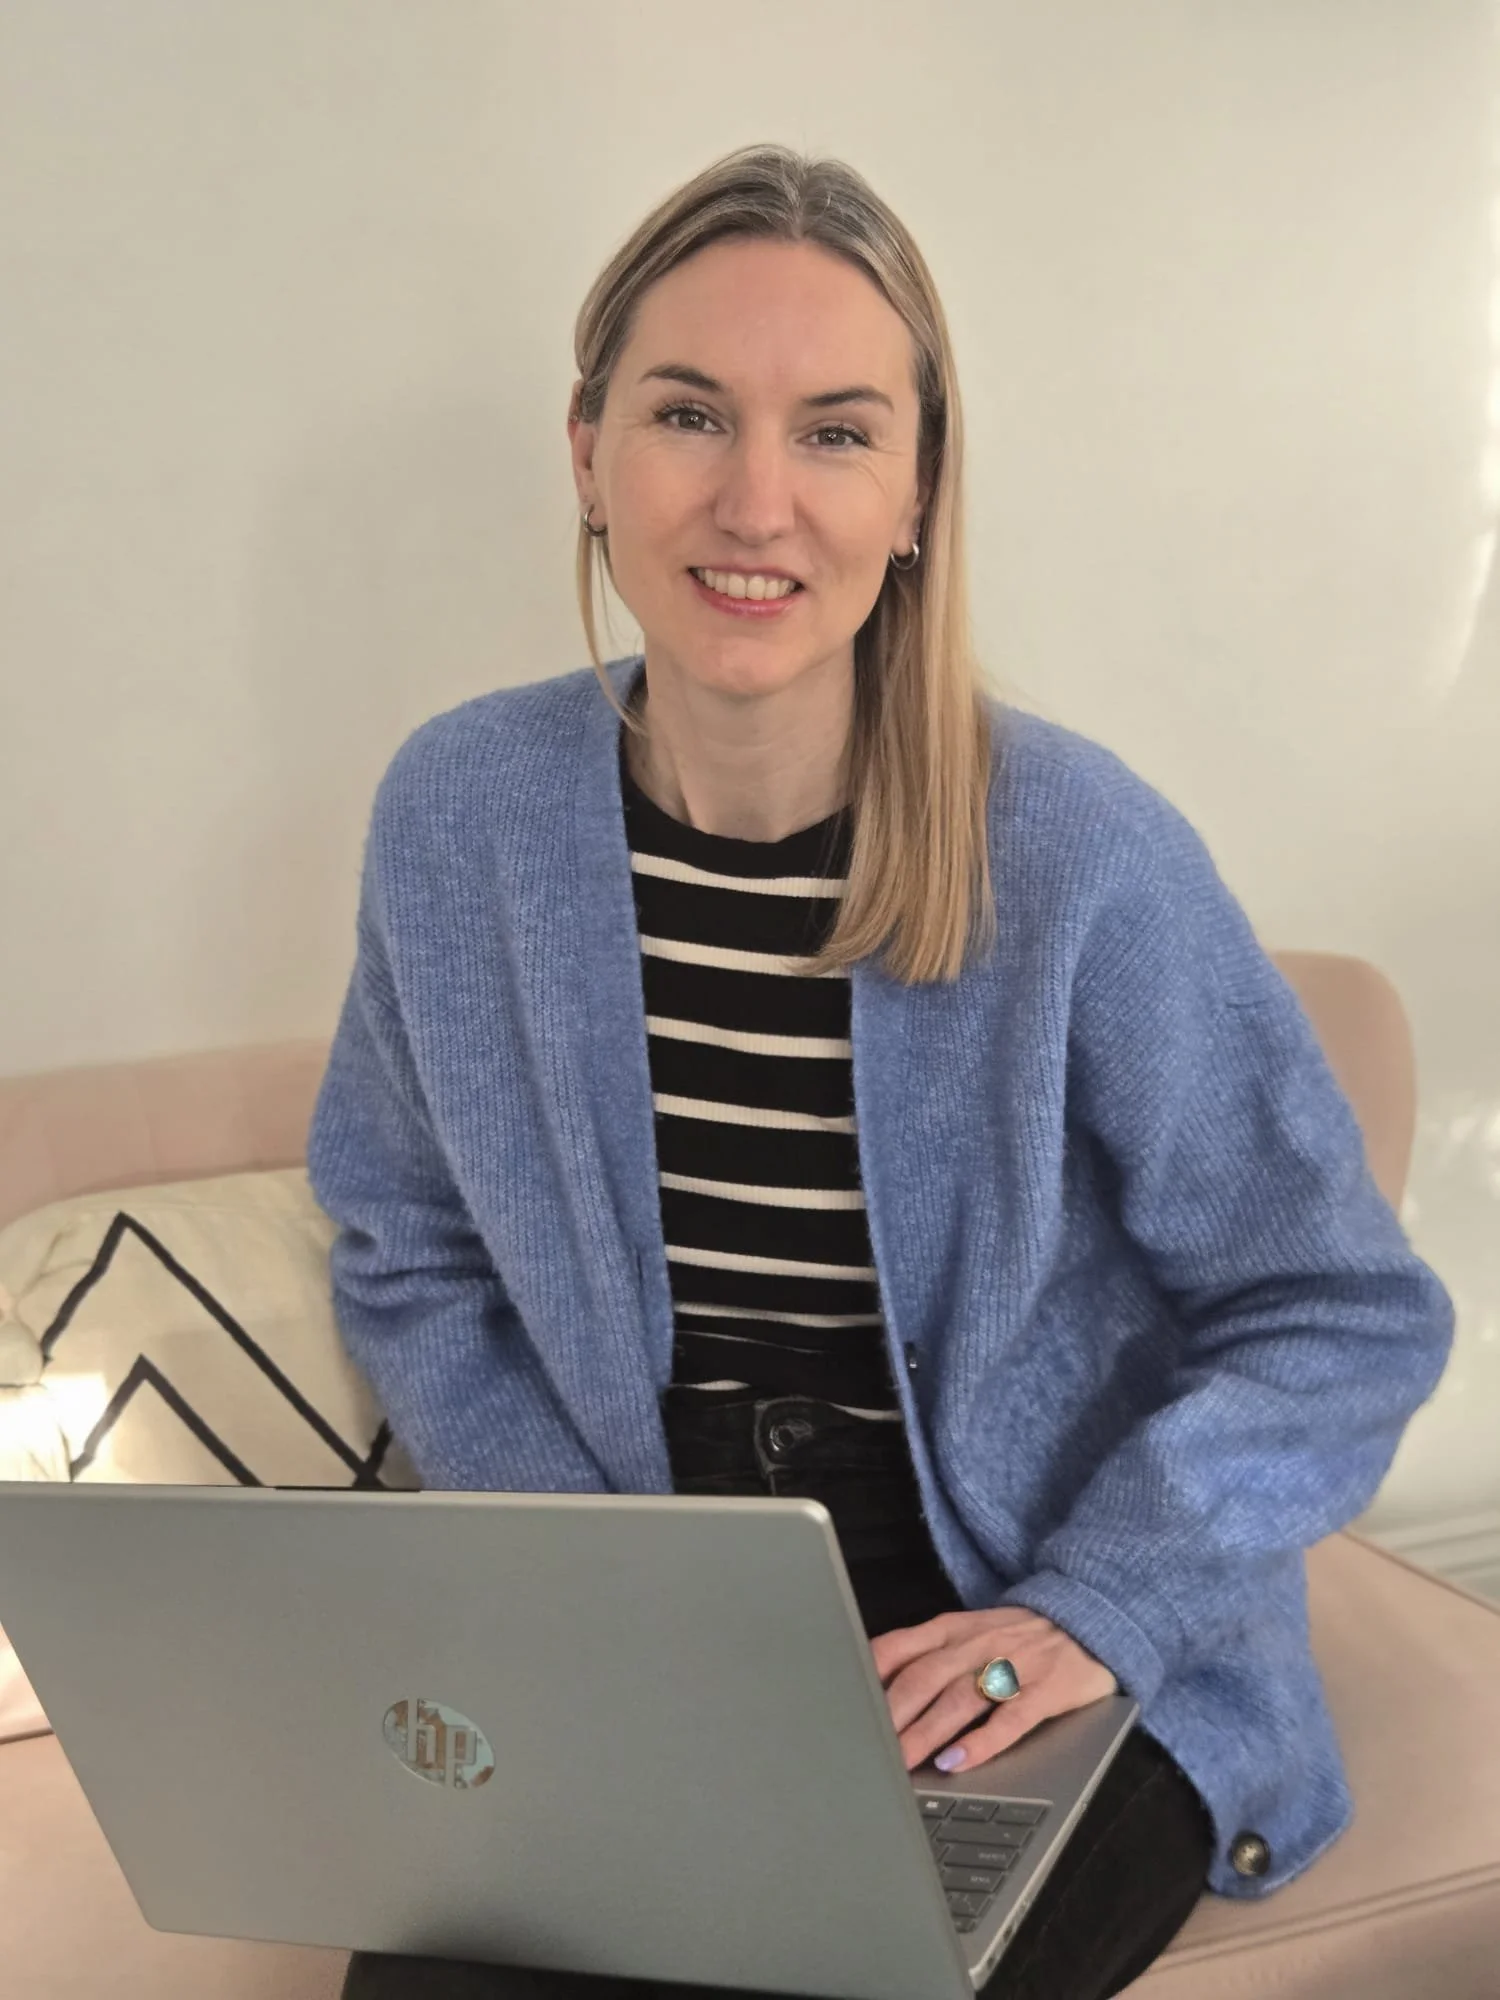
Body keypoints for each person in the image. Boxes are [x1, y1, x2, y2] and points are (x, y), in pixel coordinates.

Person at [306, 143, 1455, 2000]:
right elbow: (404, 1249)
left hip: (1027, 1609)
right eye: (691, 413)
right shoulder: (459, 821)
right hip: (661, 1604)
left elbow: (1340, 1315)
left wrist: (1100, 1606)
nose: (756, 499)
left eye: (837, 432)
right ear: (589, 452)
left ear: (918, 490)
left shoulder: (1079, 852)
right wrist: (612, 1600)